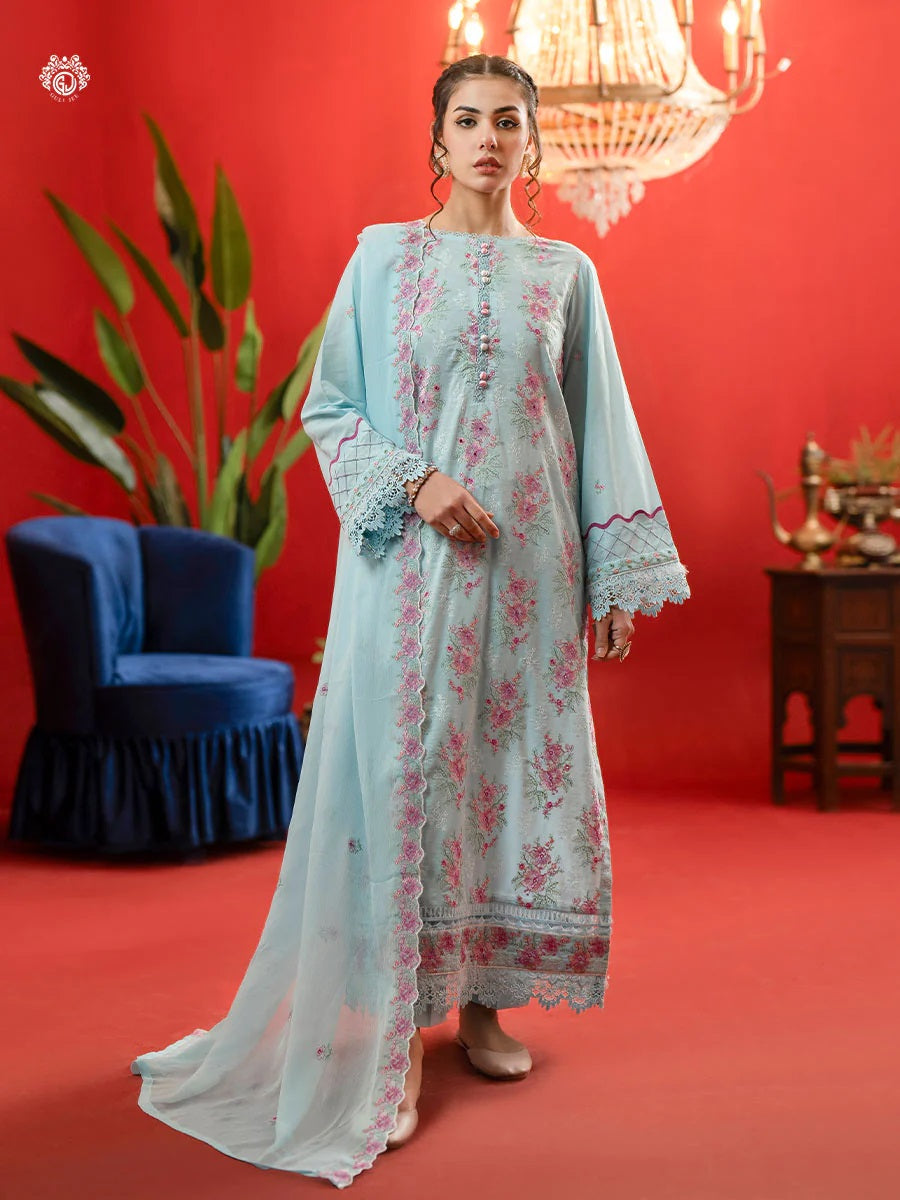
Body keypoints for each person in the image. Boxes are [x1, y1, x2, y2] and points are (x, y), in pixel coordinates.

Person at [131, 53, 689, 1189]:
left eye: (509, 121)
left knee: (515, 771)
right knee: (412, 772)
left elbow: (600, 425)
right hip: (411, 566)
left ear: (533, 142)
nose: (489, 138)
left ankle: (483, 1009)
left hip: (532, 570)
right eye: (468, 121)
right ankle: (395, 1036)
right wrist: (419, 484)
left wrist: (613, 575)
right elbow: (330, 406)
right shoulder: (384, 261)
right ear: (438, 141)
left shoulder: (567, 273)